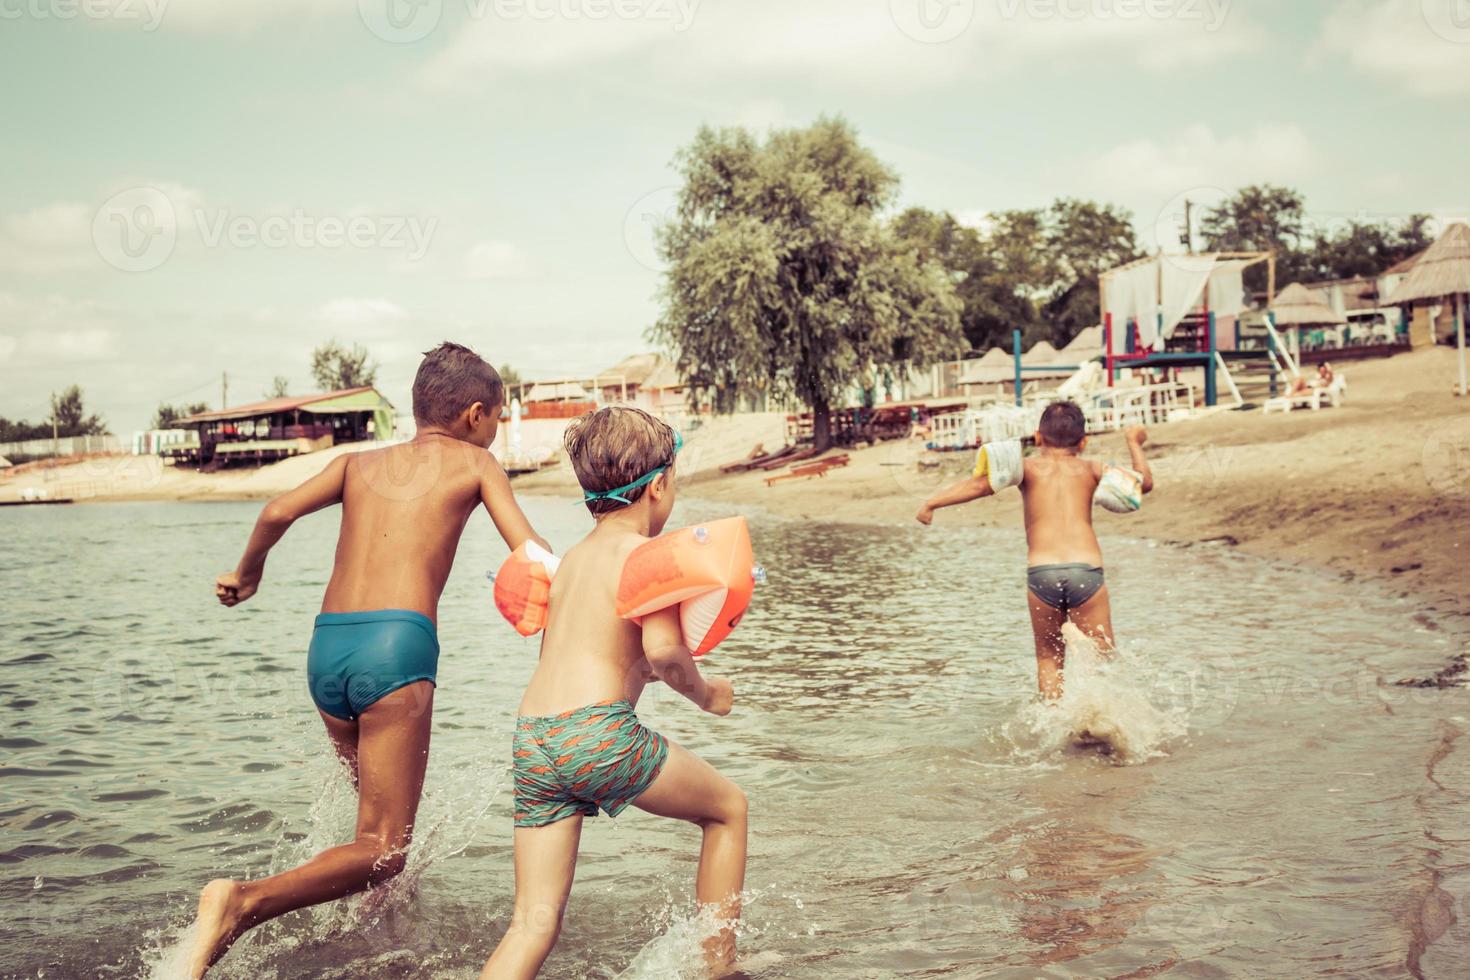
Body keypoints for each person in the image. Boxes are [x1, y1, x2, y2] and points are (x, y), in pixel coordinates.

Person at [187, 342, 549, 977]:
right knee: (386, 848)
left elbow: (276, 511)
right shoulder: (475, 464)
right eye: (496, 416)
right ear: (473, 415)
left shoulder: (357, 463)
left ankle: (373, 928)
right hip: (396, 647)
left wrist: (247, 577)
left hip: (328, 648)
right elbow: (532, 556)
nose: (495, 429)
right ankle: (242, 902)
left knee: (372, 832)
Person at [482, 407, 746, 980]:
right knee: (728, 811)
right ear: (658, 486)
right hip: (598, 734)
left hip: (534, 737)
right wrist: (709, 695)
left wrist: (641, 674)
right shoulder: (649, 558)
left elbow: (591, 655)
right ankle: (720, 970)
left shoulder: (571, 561)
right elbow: (666, 654)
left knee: (532, 922)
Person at [915, 402, 1153, 700]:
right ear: (1083, 442)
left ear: (1038, 438)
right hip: (1086, 572)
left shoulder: (1025, 468)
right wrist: (1134, 442)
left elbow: (977, 486)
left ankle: (1055, 730)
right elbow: (1143, 484)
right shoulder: (1093, 468)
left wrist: (931, 503)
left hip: (1042, 575)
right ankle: (1104, 723)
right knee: (1103, 656)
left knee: (1049, 658)